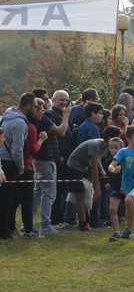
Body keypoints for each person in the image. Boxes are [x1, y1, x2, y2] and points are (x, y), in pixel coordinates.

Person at [65, 127, 121, 232]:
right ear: (109, 138)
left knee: (87, 194)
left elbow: (97, 160)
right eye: (117, 137)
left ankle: (88, 221)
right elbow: (94, 168)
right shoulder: (95, 145)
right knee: (80, 195)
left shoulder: (104, 146)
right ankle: (82, 224)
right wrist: (97, 187)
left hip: (83, 168)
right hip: (74, 167)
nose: (119, 140)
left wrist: (102, 171)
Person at [33, 90, 70, 236]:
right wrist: (66, 117)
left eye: (67, 101)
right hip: (45, 159)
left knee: (37, 193)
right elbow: (61, 132)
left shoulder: (42, 116)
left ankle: (28, 224)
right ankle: (46, 225)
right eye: (44, 101)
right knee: (49, 194)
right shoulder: (47, 116)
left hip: (42, 159)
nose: (45, 104)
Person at [0, 93, 35, 239]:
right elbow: (17, 149)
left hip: (2, 161)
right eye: (34, 106)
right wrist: (20, 167)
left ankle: (7, 228)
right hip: (9, 163)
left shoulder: (5, 117)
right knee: (7, 199)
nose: (35, 109)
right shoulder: (20, 123)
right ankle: (4, 231)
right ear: (27, 105)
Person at [14, 98, 48, 237]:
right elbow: (31, 150)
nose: (42, 112)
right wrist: (41, 140)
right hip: (26, 166)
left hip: (17, 165)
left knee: (15, 199)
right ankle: (28, 229)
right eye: (40, 109)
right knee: (27, 200)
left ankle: (12, 227)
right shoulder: (31, 127)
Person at [106, 137, 125, 241]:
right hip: (115, 189)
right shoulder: (109, 161)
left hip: (127, 189)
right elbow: (109, 174)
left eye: (116, 148)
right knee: (112, 209)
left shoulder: (126, 160)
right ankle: (116, 233)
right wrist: (108, 183)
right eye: (111, 147)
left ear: (122, 148)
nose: (113, 150)